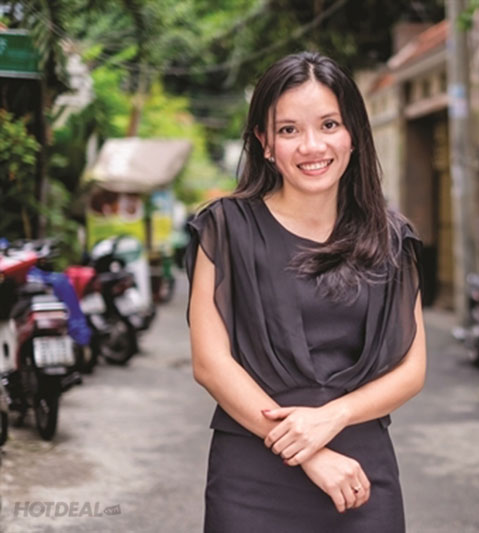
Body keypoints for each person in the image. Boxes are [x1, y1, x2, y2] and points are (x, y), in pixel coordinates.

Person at [185, 51, 426, 532]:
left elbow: (412, 370)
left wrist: (333, 417)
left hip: (360, 473)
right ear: (265, 143)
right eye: (289, 130)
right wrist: (311, 453)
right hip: (251, 476)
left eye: (329, 124)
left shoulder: (391, 238)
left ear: (353, 133)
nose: (312, 146)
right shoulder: (225, 227)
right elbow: (210, 364)